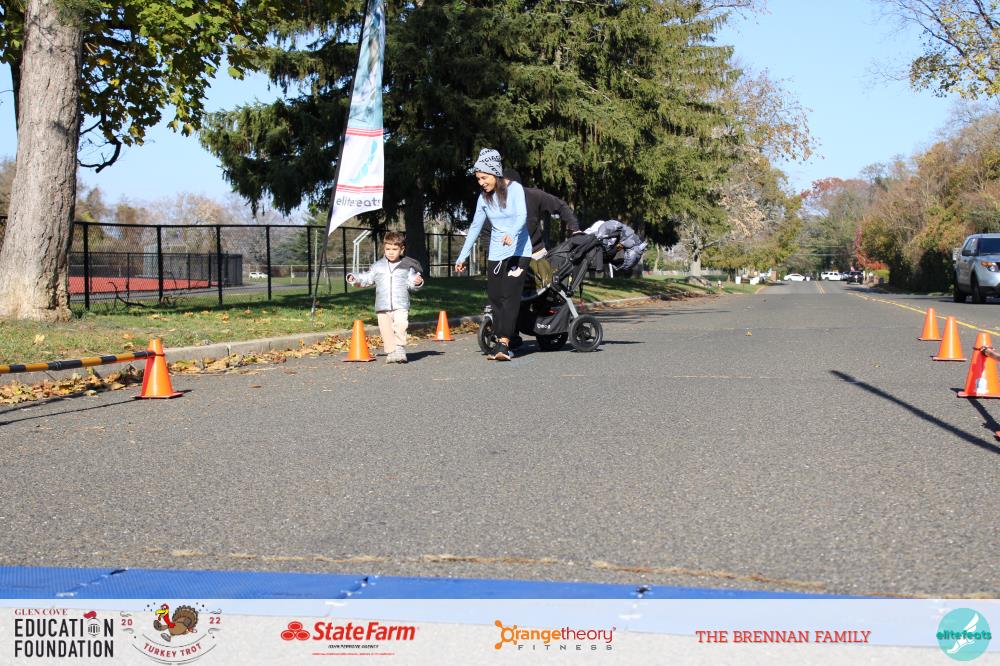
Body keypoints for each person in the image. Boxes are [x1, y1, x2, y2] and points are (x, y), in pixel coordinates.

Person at [455, 148, 530, 361]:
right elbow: (475, 227)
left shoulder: (515, 189)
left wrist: (512, 233)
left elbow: (522, 215)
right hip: (497, 253)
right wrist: (462, 255)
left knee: (509, 296)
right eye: (478, 179)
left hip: (519, 251)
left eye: (484, 178)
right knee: (495, 297)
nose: (481, 182)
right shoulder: (483, 198)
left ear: (495, 173)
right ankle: (501, 339)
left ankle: (504, 343)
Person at [347, 231, 424, 363]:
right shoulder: (377, 266)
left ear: (402, 249)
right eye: (388, 249)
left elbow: (412, 281)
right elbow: (367, 278)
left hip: (401, 304)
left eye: (394, 249)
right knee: (386, 330)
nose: (391, 252)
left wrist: (417, 282)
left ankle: (399, 348)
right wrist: (355, 278)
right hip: (382, 305)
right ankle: (391, 352)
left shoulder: (406, 266)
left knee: (401, 325)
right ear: (384, 249)